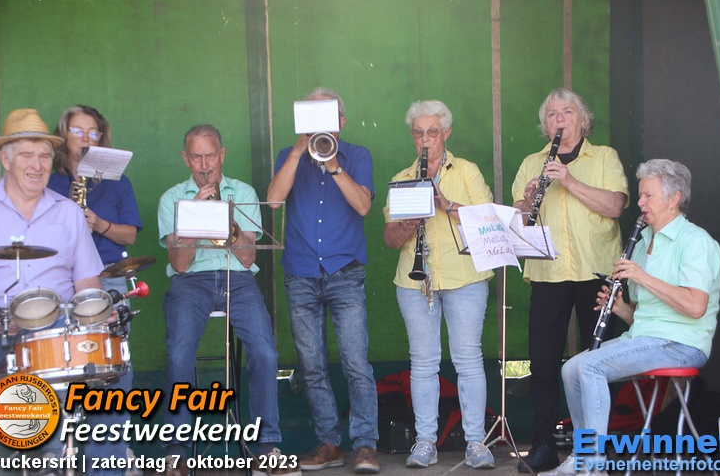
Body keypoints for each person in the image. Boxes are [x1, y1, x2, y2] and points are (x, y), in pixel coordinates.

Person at [542, 159, 720, 476]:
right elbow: (644, 315)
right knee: (571, 368)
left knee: (591, 365)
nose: (640, 203)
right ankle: (583, 457)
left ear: (674, 198)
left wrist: (642, 277)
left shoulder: (695, 241)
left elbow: (696, 307)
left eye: (648, 196)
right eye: (640, 195)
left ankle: (592, 464)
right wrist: (620, 308)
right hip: (646, 338)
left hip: (682, 342)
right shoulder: (643, 243)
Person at [158, 124, 297, 476]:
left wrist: (224, 217)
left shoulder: (244, 191)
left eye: (210, 156)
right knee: (178, 353)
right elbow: (180, 263)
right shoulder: (172, 198)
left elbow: (248, 258)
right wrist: (194, 215)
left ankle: (266, 446)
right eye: (196, 157)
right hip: (191, 281)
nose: (204, 165)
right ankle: (177, 450)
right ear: (185, 158)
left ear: (222, 155)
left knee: (265, 352)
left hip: (238, 278)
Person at [0, 109, 108, 466]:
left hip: (55, 324)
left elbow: (86, 280)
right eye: (26, 155)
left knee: (104, 365)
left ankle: (67, 464)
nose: (37, 166)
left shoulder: (68, 212)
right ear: (6, 160)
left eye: (44, 156)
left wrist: (96, 313)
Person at [511, 88, 628, 473]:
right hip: (548, 273)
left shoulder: (605, 156)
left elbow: (615, 206)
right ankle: (544, 445)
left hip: (597, 272)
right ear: (545, 125)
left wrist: (569, 180)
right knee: (543, 363)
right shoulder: (531, 163)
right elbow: (518, 220)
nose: (559, 119)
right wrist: (527, 202)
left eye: (567, 112)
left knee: (600, 361)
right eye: (552, 114)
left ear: (582, 120)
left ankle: (598, 446)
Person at [266, 87, 380, 474]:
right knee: (312, 366)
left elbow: (363, 205)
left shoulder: (357, 155)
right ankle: (330, 443)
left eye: (326, 116)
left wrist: (332, 164)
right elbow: (274, 200)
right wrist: (299, 151)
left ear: (341, 122)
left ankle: (365, 445)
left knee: (356, 363)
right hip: (300, 272)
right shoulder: (289, 155)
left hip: (345, 273)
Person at [383, 100, 496, 470]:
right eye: (419, 132)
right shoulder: (402, 178)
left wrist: (445, 203)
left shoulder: (467, 171)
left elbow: (488, 220)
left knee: (468, 359)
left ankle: (476, 441)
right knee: (423, 362)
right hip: (416, 281)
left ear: (446, 133)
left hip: (465, 277)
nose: (425, 139)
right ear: (412, 136)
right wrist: (407, 225)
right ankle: (425, 441)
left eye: (432, 131)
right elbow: (389, 238)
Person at [48, 105, 143, 292]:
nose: (85, 139)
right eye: (77, 131)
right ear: (64, 135)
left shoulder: (118, 182)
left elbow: (130, 236)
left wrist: (99, 224)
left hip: (109, 274)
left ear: (100, 139)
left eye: (93, 133)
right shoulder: (49, 184)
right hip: (61, 275)